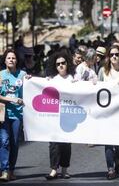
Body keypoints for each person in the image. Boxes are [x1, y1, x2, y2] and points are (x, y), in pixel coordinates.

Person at [98, 45, 119, 180]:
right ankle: (110, 168)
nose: (114, 57)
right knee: (108, 142)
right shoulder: (103, 71)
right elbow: (96, 90)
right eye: (111, 54)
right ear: (108, 57)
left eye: (116, 54)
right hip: (107, 112)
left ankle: (117, 158)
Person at [44, 50, 75, 180]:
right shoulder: (52, 80)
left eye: (63, 63)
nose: (61, 65)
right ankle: (53, 169)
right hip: (55, 115)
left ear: (67, 64)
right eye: (58, 64)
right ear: (55, 66)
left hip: (69, 115)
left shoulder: (73, 79)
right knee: (54, 143)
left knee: (66, 144)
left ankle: (64, 170)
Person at [0, 49, 27, 181]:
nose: (11, 60)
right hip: (3, 114)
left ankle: (11, 170)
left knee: (14, 143)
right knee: (4, 141)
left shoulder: (23, 74)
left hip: (17, 114)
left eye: (13, 58)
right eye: (8, 58)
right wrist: (12, 99)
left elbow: (31, 90)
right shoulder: (0, 75)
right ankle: (4, 170)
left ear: (16, 61)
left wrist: (31, 81)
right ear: (5, 60)